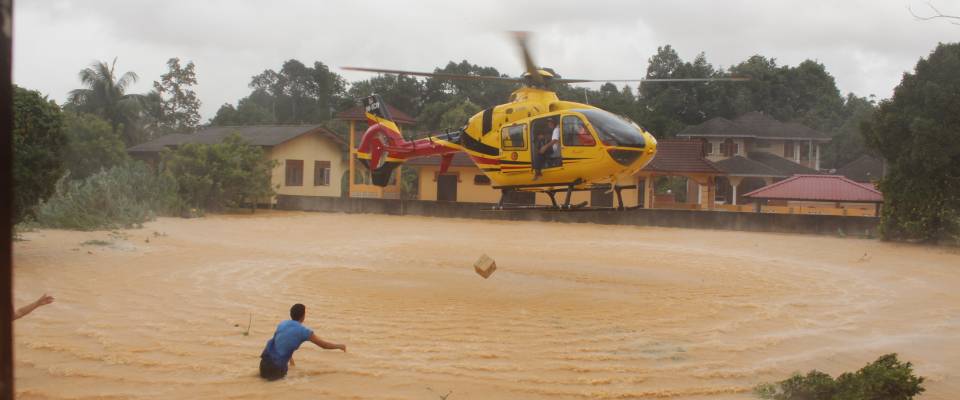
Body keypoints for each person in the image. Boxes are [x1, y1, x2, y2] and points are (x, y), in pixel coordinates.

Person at [259, 303, 346, 381]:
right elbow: (324, 345)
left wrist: (292, 364)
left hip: (264, 363)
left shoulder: (282, 324)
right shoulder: (304, 332)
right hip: (276, 369)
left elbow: (279, 344)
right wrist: (339, 346)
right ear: (303, 316)